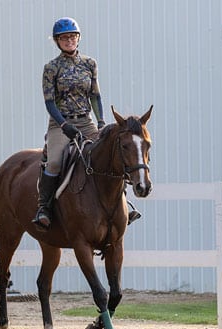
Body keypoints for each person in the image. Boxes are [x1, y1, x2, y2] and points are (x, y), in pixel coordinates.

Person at [32, 17, 141, 231]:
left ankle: (124, 202)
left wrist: (100, 122)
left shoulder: (90, 64)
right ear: (57, 41)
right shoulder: (51, 68)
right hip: (60, 124)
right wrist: (63, 125)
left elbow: (95, 96)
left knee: (110, 154)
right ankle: (43, 207)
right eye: (64, 38)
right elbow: (49, 102)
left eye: (72, 37)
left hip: (86, 122)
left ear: (78, 38)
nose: (69, 41)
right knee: (54, 162)